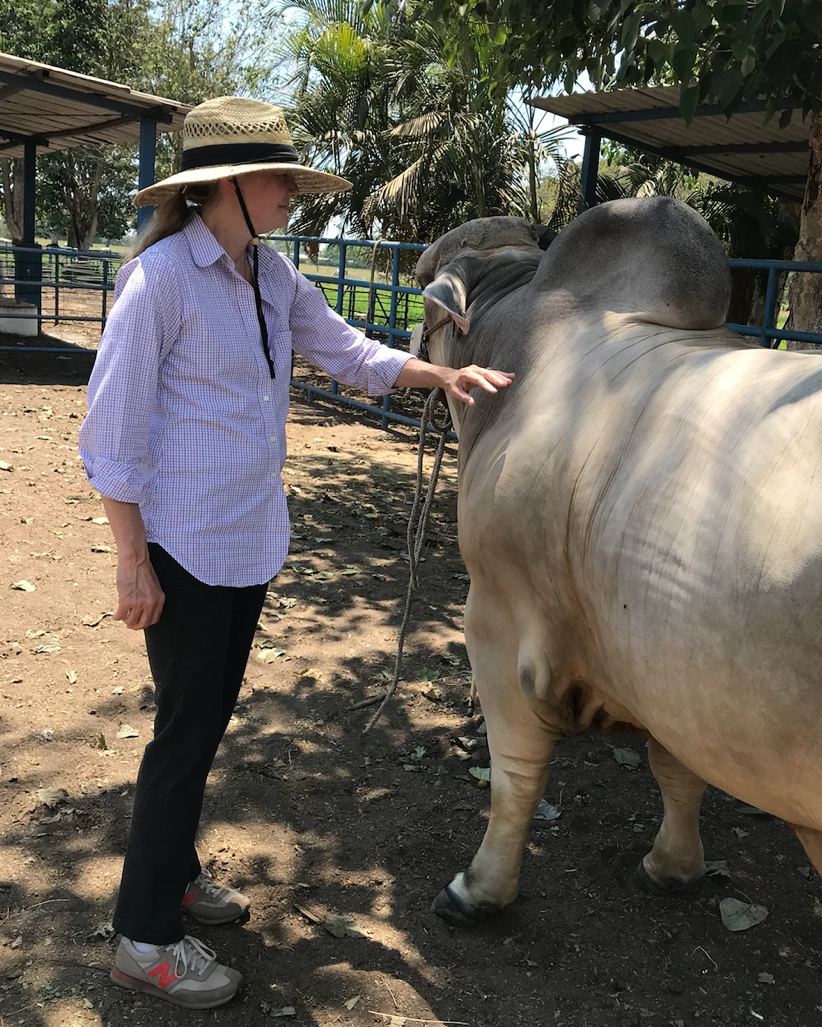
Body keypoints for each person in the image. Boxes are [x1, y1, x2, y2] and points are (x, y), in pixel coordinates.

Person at [78, 95, 512, 1010]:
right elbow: (109, 436)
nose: (292, 193)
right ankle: (145, 938)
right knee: (183, 737)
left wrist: (441, 372)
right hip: (185, 546)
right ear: (223, 185)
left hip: (246, 538)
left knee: (201, 727)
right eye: (280, 178)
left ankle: (177, 875)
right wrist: (131, 561)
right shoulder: (159, 283)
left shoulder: (268, 276)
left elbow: (347, 352)